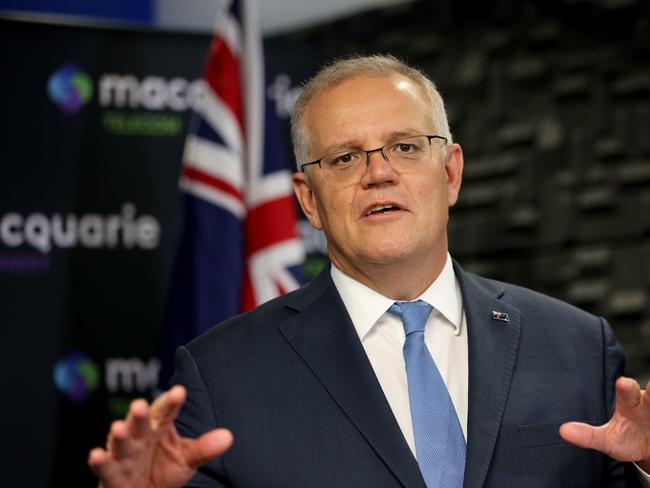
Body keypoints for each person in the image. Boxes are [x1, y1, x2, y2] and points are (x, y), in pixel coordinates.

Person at [89, 55, 650, 487]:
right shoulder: (221, 376)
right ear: (309, 200)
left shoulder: (577, 345)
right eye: (344, 158)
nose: (379, 172)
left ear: (450, 173)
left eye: (406, 146)